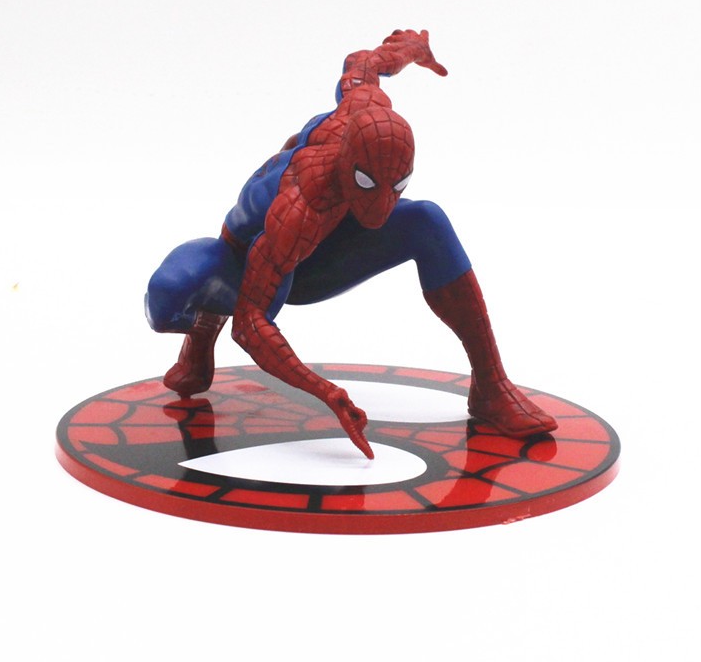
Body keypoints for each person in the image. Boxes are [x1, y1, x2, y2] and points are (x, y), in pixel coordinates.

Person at [145, 29, 556, 458]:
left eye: (398, 185)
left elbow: (365, 61)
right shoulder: (301, 204)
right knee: (168, 292)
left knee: (427, 219)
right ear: (347, 161)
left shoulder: (364, 102)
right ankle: (204, 325)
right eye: (368, 183)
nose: (383, 206)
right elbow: (250, 325)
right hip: (258, 264)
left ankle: (491, 385)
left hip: (332, 231)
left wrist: (412, 50)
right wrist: (327, 392)